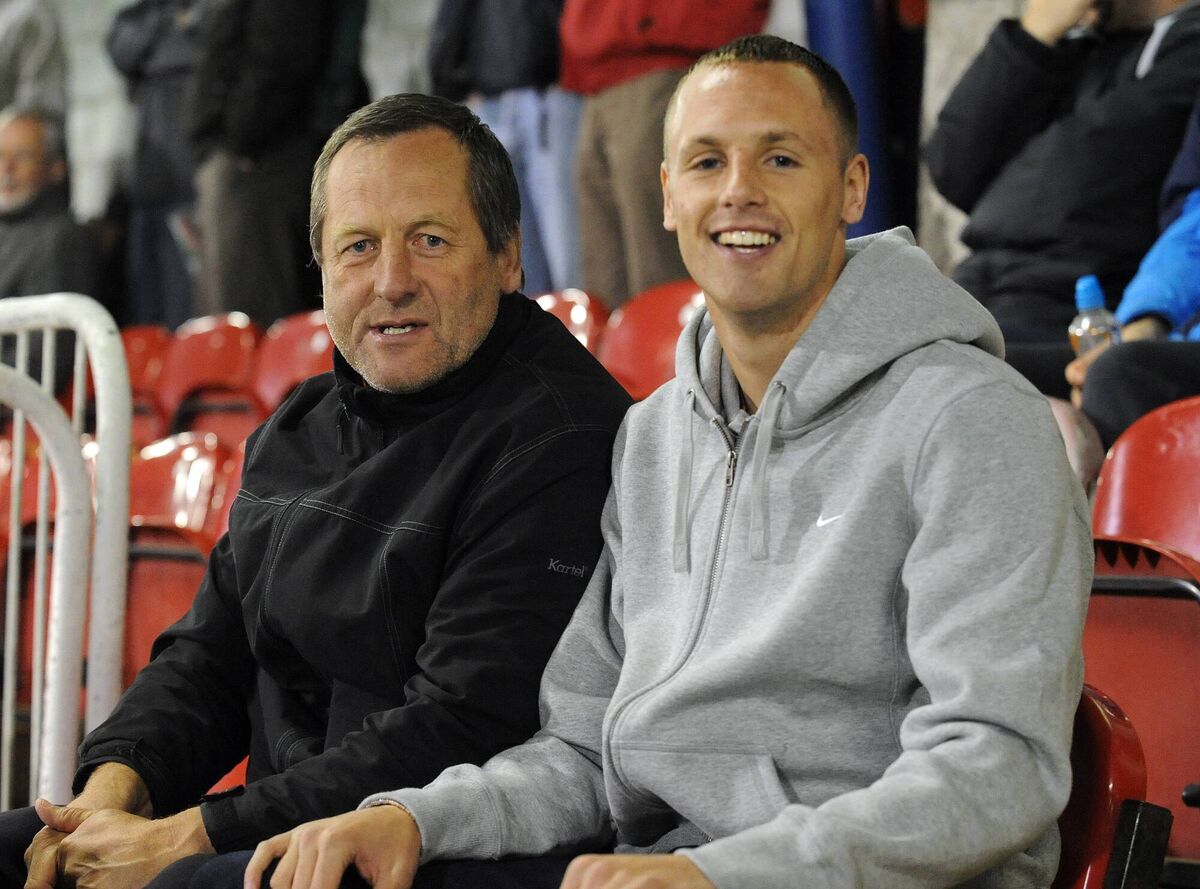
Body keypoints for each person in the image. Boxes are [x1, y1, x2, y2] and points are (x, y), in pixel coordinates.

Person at [233, 35, 1093, 889]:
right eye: (707, 162)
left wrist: (724, 875)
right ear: (669, 196)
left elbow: (996, 765)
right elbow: (579, 745)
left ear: (852, 189)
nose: (740, 192)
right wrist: (412, 815)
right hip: (658, 864)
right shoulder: (655, 436)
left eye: (781, 159)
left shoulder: (974, 419)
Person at [0, 93, 632, 889]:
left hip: (421, 841)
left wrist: (186, 837)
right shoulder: (300, 423)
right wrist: (112, 792)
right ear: (323, 268)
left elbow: (461, 724)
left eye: (430, 241)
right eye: (358, 247)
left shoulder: (561, 436)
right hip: (274, 823)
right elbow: (209, 655)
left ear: (509, 256)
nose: (391, 281)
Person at [926, 0, 1200, 344]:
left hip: (1076, 312)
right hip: (976, 290)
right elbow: (952, 168)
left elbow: (1095, 182)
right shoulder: (1079, 48)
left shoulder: (1188, 48)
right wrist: (1031, 41)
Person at [561, 0, 769, 308]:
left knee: (663, 276)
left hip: (664, 66)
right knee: (604, 284)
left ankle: (682, 355)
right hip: (598, 82)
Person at [187, 0, 369, 327]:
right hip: (262, 150)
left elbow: (281, 56)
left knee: (253, 321)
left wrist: (240, 136)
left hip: (265, 156)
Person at [429, 0, 582, 296]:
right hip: (488, 102)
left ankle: (579, 337)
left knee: (568, 257)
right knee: (513, 260)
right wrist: (448, 82)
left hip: (550, 94)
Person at [107, 0, 203, 329]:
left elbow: (195, 41)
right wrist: (170, 21)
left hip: (192, 187)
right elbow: (122, 48)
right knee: (148, 311)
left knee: (190, 306)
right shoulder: (139, 15)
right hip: (147, 189)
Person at [0, 106, 96, 388]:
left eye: (22, 156)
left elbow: (43, 360)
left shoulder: (61, 239)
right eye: (0, 156)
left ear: (55, 169)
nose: (7, 168)